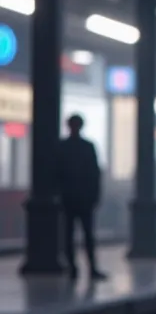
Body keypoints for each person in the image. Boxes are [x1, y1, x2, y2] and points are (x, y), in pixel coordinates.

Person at [57, 114, 107, 282]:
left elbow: (56, 174)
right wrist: (95, 195)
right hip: (84, 199)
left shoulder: (62, 147)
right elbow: (95, 174)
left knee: (69, 235)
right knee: (87, 235)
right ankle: (91, 268)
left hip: (69, 198)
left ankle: (73, 268)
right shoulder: (88, 147)